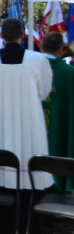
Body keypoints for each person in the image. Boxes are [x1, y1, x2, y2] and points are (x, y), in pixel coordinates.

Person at [0, 17, 53, 234]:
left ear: (0, 36)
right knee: (29, 158)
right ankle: (31, 227)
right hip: (30, 122)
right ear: (22, 35)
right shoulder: (38, 60)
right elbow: (43, 92)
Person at [40, 32, 74, 192]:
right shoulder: (70, 73)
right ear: (61, 49)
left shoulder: (31, 69)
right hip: (60, 128)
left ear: (41, 47)